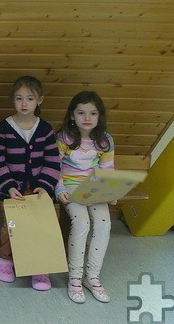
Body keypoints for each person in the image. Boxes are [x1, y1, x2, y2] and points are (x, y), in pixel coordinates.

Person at [0, 75, 61, 291]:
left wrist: (44, 186)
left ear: (39, 100)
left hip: (38, 190)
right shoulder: (4, 127)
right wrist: (9, 186)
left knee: (41, 225)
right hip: (9, 190)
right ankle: (5, 259)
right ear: (13, 100)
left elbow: (52, 161)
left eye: (29, 99)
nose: (24, 104)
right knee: (10, 227)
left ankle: (39, 266)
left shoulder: (45, 129)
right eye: (19, 98)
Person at [55, 91, 115, 304]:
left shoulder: (105, 140)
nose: (87, 118)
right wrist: (59, 189)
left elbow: (107, 169)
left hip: (95, 187)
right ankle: (75, 279)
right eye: (81, 113)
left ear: (100, 116)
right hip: (70, 186)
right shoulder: (64, 138)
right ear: (72, 115)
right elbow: (55, 168)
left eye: (92, 113)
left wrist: (110, 191)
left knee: (104, 225)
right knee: (81, 223)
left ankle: (92, 277)